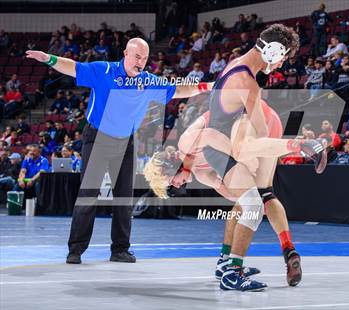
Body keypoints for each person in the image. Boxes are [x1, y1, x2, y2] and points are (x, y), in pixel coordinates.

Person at [26, 37, 213, 265]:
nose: (141, 62)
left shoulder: (148, 81)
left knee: (124, 197)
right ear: (126, 53)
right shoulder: (104, 70)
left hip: (126, 142)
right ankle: (76, 249)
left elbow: (178, 90)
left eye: (144, 58)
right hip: (97, 139)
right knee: (88, 195)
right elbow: (73, 67)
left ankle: (120, 249)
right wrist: (48, 58)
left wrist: (208, 86)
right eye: (137, 57)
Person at [200, 24, 325, 291]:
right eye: (283, 57)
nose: (281, 64)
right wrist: (297, 145)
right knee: (256, 204)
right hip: (223, 150)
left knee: (254, 201)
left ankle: (227, 263)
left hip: (221, 145)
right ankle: (232, 273)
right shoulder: (248, 84)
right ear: (273, 51)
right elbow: (258, 140)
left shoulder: (237, 65)